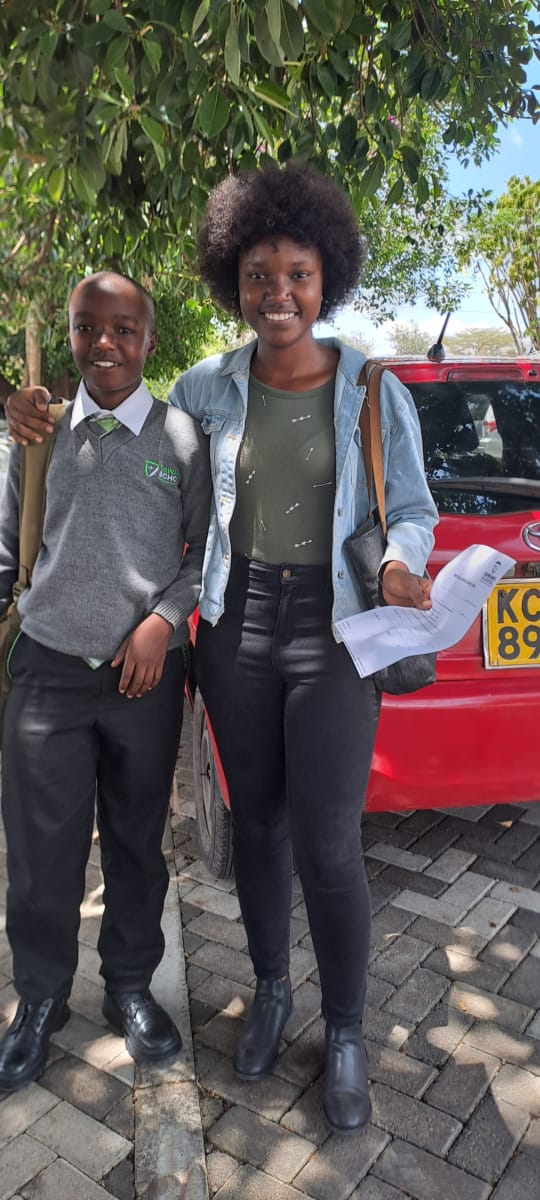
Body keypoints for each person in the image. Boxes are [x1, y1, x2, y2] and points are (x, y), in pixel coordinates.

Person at [5, 165, 438, 1134]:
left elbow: (409, 510)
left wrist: (407, 562)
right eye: (256, 275)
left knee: (328, 841)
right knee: (256, 832)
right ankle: (273, 991)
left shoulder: (372, 386)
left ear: (328, 278)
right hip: (235, 628)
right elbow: (120, 427)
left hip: (332, 636)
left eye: (296, 274)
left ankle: (348, 1026)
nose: (276, 294)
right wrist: (25, 415)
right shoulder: (206, 388)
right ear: (230, 281)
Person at [0, 271, 211, 1092]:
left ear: (150, 340)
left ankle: (129, 986)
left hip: (141, 677)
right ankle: (41, 1001)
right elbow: (11, 543)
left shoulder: (182, 439)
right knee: (41, 853)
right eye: (89, 328)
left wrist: (164, 621)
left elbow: (204, 557)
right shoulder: (38, 434)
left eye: (124, 329)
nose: (106, 345)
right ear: (72, 336)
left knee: (135, 844)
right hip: (49, 669)